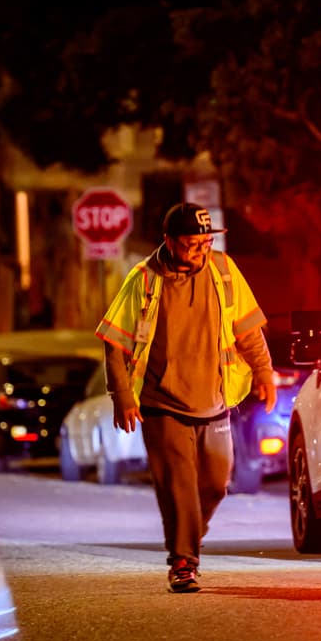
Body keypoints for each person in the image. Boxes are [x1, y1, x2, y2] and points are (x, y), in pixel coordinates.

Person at [95, 202, 276, 593]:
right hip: (162, 403)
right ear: (170, 242)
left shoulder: (224, 271)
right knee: (179, 484)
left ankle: (187, 537)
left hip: (215, 399)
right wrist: (122, 394)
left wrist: (263, 372)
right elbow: (114, 343)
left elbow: (248, 330)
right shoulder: (144, 279)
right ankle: (183, 562)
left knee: (215, 483)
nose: (200, 251)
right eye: (192, 244)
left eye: (206, 243)